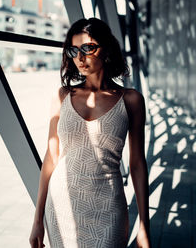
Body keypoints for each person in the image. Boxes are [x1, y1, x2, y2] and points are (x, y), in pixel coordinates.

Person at [29, 18, 151, 248]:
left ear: (106, 49)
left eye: (88, 48)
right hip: (62, 203)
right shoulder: (63, 96)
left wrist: (144, 225)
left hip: (108, 207)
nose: (80, 57)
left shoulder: (131, 100)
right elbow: (51, 157)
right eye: (74, 50)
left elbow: (137, 163)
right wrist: (38, 219)